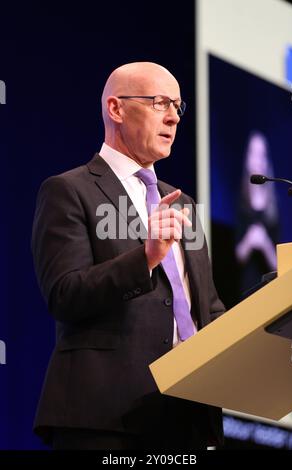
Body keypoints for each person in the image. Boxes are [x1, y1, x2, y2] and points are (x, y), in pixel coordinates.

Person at [32, 62, 225, 450]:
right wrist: (146, 256)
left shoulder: (182, 203)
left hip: (185, 419)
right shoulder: (69, 190)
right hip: (104, 417)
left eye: (178, 106)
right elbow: (65, 294)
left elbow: (206, 306)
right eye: (160, 103)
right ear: (116, 109)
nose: (173, 116)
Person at [235, 131, 280, 296]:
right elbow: (235, 257)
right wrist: (249, 240)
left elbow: (278, 264)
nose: (258, 160)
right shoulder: (239, 202)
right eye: (254, 153)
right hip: (246, 289)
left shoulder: (273, 206)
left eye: (262, 154)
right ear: (247, 157)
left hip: (271, 290)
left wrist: (265, 244)